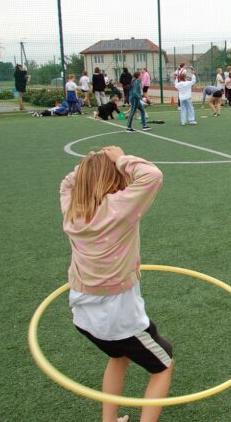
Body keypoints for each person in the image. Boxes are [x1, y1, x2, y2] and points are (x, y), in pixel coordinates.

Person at [60, 146, 173, 422]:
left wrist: (90, 163)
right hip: (119, 317)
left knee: (118, 357)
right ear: (115, 177)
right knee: (164, 365)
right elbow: (152, 175)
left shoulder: (72, 209)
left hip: (84, 314)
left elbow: (67, 182)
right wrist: (119, 158)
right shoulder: (120, 207)